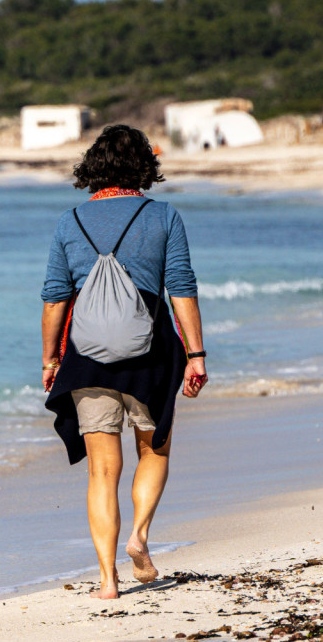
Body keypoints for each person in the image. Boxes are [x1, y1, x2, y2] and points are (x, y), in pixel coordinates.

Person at [40, 125, 208, 600]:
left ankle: (108, 581)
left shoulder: (70, 221)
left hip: (87, 358)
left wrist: (51, 359)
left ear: (92, 166)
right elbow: (181, 287)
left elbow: (55, 299)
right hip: (151, 356)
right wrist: (196, 354)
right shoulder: (163, 217)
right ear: (144, 168)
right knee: (153, 450)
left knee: (102, 471)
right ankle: (139, 536)